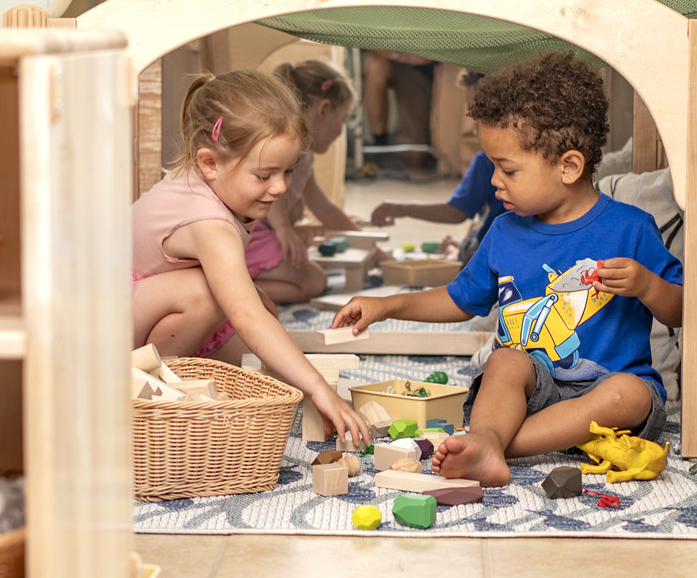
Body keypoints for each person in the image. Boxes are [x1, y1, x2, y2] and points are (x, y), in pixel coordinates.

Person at [330, 52, 682, 486]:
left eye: (507, 169)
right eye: (492, 165)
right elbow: (459, 300)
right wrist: (386, 305)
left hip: (604, 399)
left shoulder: (631, 228)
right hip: (529, 395)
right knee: (505, 362)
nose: (494, 181)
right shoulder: (504, 231)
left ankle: (490, 444)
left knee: (628, 393)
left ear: (569, 166)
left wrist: (647, 285)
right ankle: (490, 438)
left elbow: (680, 312)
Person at [132, 69, 370, 446]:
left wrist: (305, 387)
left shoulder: (218, 183)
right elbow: (245, 315)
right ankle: (147, 392)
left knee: (269, 378)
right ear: (210, 163)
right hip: (103, 327)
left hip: (142, 307)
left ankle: (175, 374)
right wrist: (319, 388)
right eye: (264, 176)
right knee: (213, 298)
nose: (279, 187)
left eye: (288, 171)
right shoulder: (210, 224)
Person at [246, 60, 361, 304]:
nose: (340, 131)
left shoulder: (304, 152)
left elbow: (323, 207)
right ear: (324, 109)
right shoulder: (287, 145)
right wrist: (284, 228)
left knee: (311, 280)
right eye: (341, 120)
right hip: (250, 237)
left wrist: (362, 238)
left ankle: (239, 288)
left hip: (263, 234)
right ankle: (231, 291)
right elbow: (268, 187)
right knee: (315, 280)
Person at [368, 150, 507, 265]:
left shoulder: (486, 158)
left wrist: (403, 209)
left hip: (491, 254)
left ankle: (455, 252)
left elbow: (456, 213)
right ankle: (457, 249)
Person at [360, 50, 437, 177]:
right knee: (376, 67)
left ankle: (400, 141)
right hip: (387, 55)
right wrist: (400, 55)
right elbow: (361, 38)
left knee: (414, 156)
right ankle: (380, 145)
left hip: (420, 66)